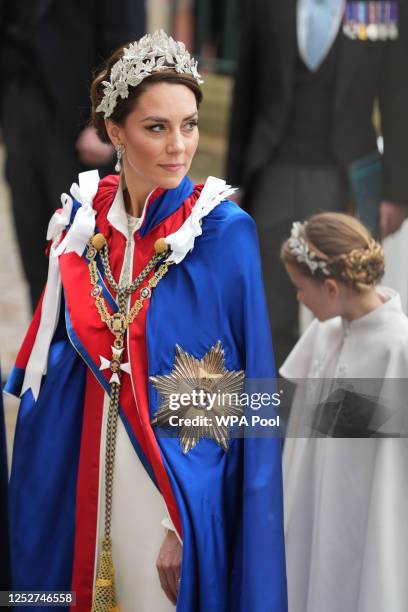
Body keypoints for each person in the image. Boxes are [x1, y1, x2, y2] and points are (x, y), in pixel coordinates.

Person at [5, 31, 287, 612]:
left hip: (167, 495)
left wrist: (180, 521)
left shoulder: (223, 233)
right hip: (84, 474)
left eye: (188, 125)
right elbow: (45, 369)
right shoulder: (82, 227)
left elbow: (248, 393)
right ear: (114, 131)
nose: (179, 146)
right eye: (156, 127)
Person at [226, 0, 408, 369]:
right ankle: (273, 417)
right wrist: (235, 182)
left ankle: (344, 413)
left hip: (349, 181)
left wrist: (395, 193)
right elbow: (246, 89)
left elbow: (397, 97)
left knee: (351, 305)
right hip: (272, 172)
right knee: (270, 306)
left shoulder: (379, 6)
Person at [280, 212, 408, 612]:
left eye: (301, 288)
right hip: (312, 510)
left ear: (332, 288)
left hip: (368, 517)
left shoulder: (398, 349)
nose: (298, 297)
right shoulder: (324, 332)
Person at [0, 0, 146, 310]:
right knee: (35, 246)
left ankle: (86, 355)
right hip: (19, 104)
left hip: (80, 120)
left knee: (84, 259)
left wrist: (109, 120)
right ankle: (43, 352)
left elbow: (126, 40)